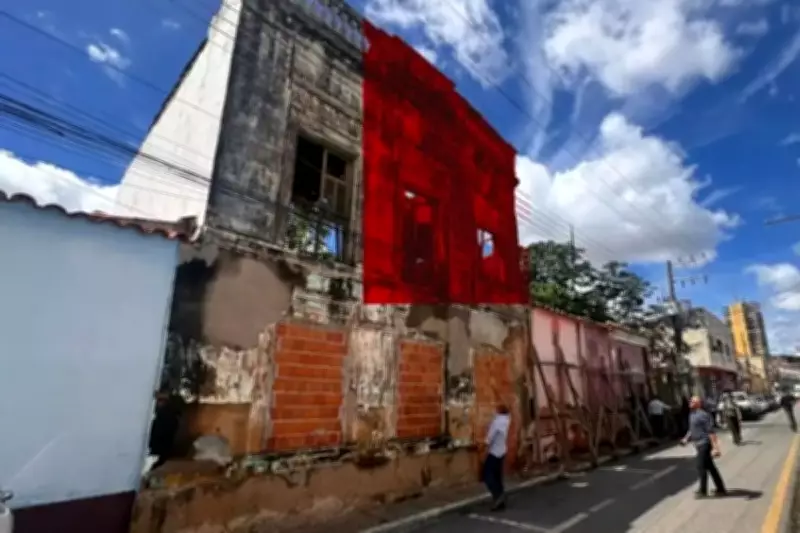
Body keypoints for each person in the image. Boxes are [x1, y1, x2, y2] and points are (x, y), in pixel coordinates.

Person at [681, 396, 727, 498]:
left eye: (693, 401)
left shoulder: (703, 415)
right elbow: (691, 429)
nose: (690, 402)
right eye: (690, 401)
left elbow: (711, 432)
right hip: (698, 444)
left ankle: (703, 491)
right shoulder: (691, 414)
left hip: (704, 443)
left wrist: (715, 448)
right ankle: (721, 488)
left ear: (699, 404)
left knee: (701, 466)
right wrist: (686, 438)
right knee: (710, 467)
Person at [483, 404, 511, 511]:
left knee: (488, 476)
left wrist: (484, 450)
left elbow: (489, 438)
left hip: (494, 452)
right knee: (498, 476)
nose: (494, 411)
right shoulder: (507, 420)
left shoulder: (497, 422)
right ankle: (501, 497)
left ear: (499, 411)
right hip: (502, 451)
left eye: (496, 409)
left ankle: (498, 496)